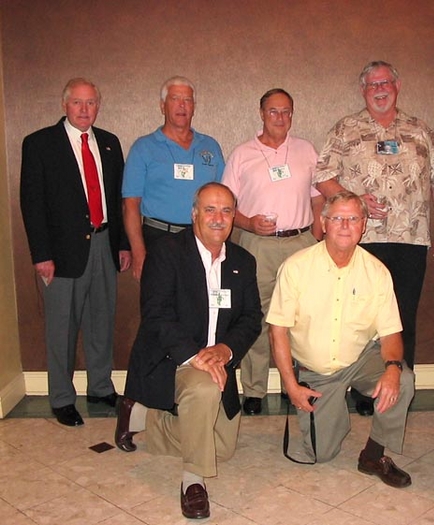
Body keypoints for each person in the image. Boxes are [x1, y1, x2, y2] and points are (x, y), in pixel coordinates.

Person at [114, 182, 262, 519]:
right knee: (205, 388)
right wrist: (196, 356)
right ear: (194, 213)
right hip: (171, 358)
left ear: (234, 216)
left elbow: (252, 318)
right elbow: (156, 314)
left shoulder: (242, 261)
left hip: (217, 361)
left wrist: (225, 350)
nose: (218, 218)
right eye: (209, 209)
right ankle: (193, 482)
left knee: (222, 449)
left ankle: (141, 417)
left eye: (226, 210)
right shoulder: (167, 252)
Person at [314, 60, 434, 415]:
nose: (379, 89)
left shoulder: (420, 131)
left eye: (385, 82)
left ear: (397, 85)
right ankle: (364, 391)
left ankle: (399, 388)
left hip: (411, 240)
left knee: (402, 317)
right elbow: (323, 178)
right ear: (363, 90)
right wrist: (355, 199)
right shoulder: (346, 129)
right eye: (372, 84)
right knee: (362, 318)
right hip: (361, 241)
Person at [268, 191, 415, 488]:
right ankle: (331, 415)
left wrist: (392, 369)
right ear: (323, 222)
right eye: (337, 218)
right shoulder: (296, 267)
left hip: (361, 358)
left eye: (353, 219)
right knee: (322, 454)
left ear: (364, 225)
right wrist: (291, 385)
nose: (346, 225)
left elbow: (390, 333)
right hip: (316, 371)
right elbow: (278, 330)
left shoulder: (377, 272)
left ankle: (373, 454)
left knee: (404, 378)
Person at [20, 78, 131, 426]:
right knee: (61, 328)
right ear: (64, 104)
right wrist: (42, 254)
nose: (85, 110)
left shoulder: (110, 143)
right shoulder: (40, 144)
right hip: (61, 252)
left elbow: (117, 199)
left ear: (99, 105)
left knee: (101, 322)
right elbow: (32, 203)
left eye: (91, 103)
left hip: (104, 243)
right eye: (77, 103)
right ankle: (62, 397)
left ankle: (100, 387)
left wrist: (123, 243)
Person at [222, 88, 324, 415]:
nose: (280, 118)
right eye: (273, 111)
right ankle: (253, 390)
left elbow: (318, 196)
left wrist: (317, 234)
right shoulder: (242, 154)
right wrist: (249, 223)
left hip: (300, 243)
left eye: (286, 112)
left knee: (299, 319)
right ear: (261, 113)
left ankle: (294, 386)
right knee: (256, 317)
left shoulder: (306, 150)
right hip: (257, 246)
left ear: (292, 114)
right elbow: (227, 205)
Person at [122, 76, 225, 281]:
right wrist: (138, 251)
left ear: (194, 107)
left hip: (202, 236)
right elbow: (130, 205)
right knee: (159, 305)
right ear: (162, 106)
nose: (181, 105)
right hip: (159, 237)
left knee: (200, 305)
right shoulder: (144, 148)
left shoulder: (210, 146)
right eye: (175, 99)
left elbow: (225, 197)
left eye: (187, 100)